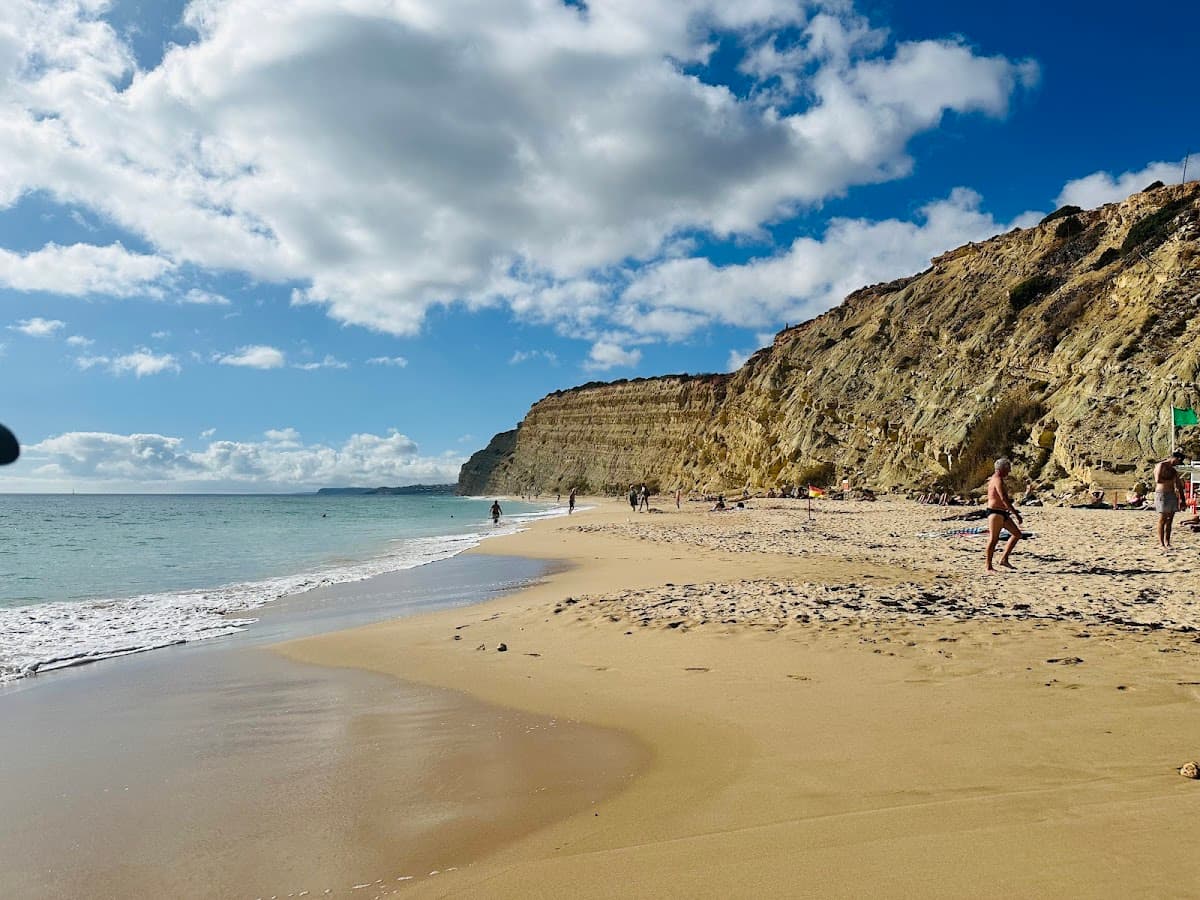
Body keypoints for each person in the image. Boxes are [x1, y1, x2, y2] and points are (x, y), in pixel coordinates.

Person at [984, 458, 1023, 572]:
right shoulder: (997, 480)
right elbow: (1003, 498)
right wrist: (1016, 514)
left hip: (1002, 513)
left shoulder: (997, 479)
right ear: (1002, 468)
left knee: (1017, 534)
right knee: (993, 539)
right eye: (1008, 468)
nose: (1009, 471)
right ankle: (988, 566)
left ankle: (1004, 559)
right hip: (995, 513)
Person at [1153, 449, 1188, 549]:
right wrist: (1170, 480)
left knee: (1170, 520)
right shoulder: (1162, 465)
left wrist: (1183, 499)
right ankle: (1161, 543)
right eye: (1178, 461)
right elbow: (1158, 480)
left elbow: (1179, 485)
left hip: (1172, 494)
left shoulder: (1174, 470)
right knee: (1163, 518)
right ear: (1175, 458)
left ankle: (1167, 541)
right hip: (1162, 494)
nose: (1178, 463)